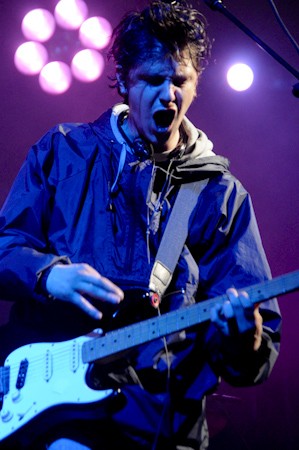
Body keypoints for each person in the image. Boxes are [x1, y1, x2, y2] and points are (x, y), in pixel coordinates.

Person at [0, 1, 281, 449]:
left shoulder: (220, 195)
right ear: (126, 81)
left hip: (164, 428)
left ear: (195, 84)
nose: (168, 93)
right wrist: (49, 274)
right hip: (56, 417)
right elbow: (5, 246)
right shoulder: (64, 150)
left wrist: (245, 339)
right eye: (153, 79)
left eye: (179, 80)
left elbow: (254, 359)